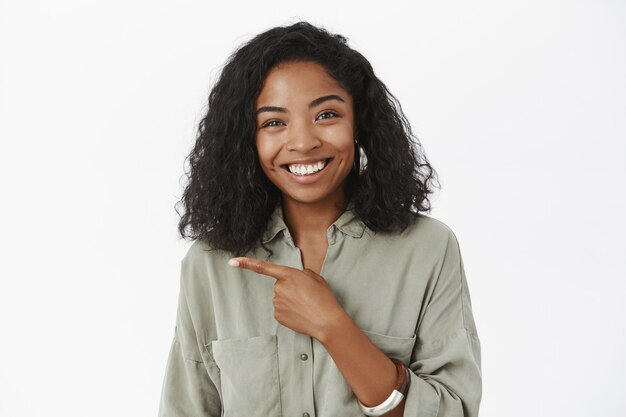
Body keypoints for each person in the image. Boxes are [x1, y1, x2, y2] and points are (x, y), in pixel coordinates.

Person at [158, 21, 482, 417]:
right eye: (274, 122)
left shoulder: (428, 250)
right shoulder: (209, 264)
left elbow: (455, 410)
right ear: (248, 138)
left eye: (326, 114)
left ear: (359, 123)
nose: (303, 142)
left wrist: (334, 327)